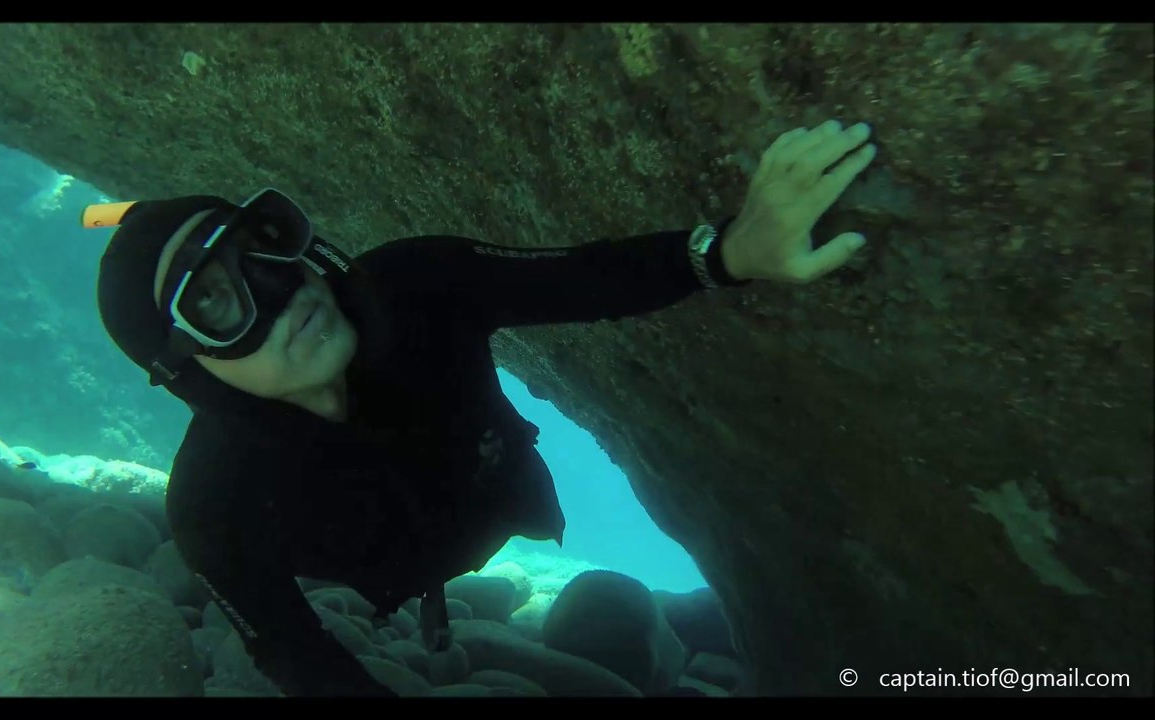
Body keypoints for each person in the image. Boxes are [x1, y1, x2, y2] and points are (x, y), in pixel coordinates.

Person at [89, 120, 877, 696]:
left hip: (499, 500)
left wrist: (737, 250)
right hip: (381, 567)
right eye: (218, 301)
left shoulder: (418, 286)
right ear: (188, 369)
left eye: (263, 245)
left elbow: (584, 278)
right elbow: (296, 654)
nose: (280, 288)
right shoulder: (213, 507)